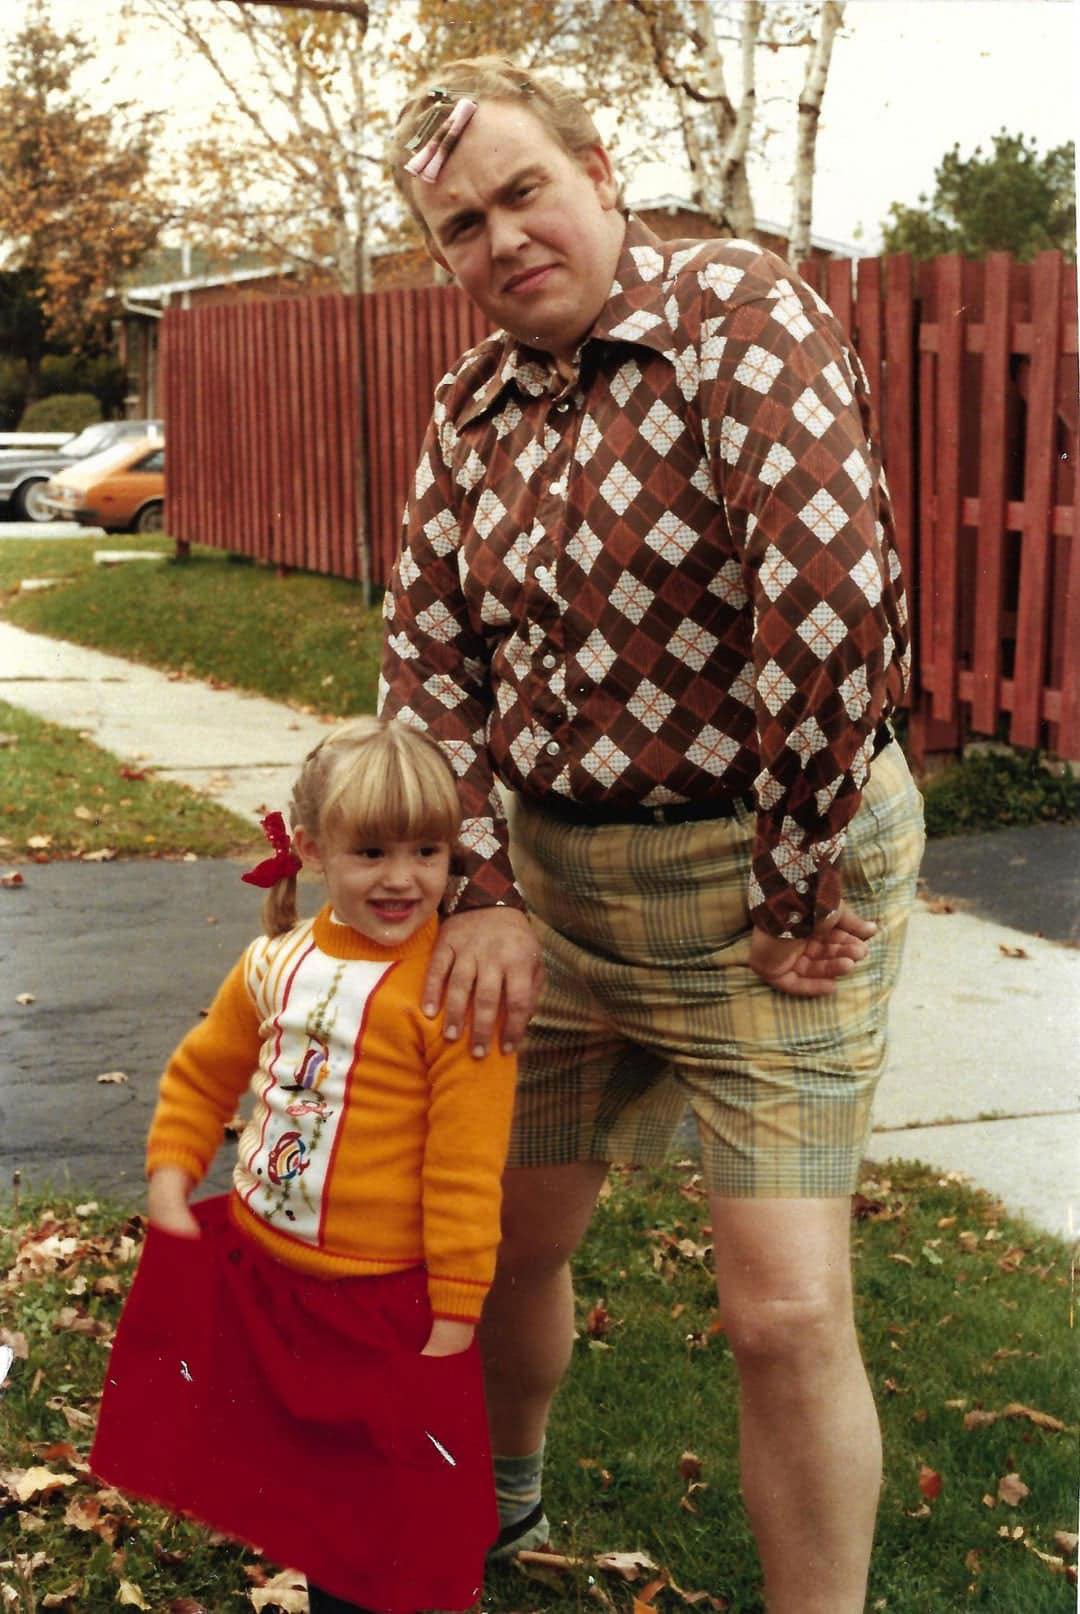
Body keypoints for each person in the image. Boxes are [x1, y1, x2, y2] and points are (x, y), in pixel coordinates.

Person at [380, 57, 925, 1614]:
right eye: (460, 224)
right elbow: (429, 661)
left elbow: (827, 614)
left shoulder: (738, 321)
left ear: (601, 168)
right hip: (551, 901)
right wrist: (478, 887)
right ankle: (498, 1503)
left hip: (767, 889)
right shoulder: (468, 405)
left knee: (781, 1307)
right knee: (494, 1243)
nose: (500, 241)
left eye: (522, 190)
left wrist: (793, 872)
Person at [91, 717, 517, 1614]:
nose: (402, 877)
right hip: (267, 1280)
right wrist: (174, 1171)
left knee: (393, 1517)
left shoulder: (451, 992)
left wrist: (456, 1308)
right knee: (303, 1487)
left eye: (428, 851)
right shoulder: (275, 963)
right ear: (316, 851)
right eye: (371, 851)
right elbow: (208, 1069)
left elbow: (467, 1167)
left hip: (381, 1302)